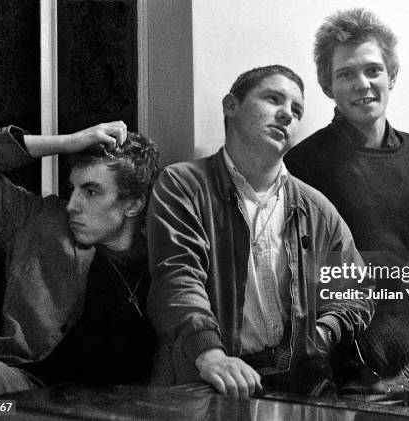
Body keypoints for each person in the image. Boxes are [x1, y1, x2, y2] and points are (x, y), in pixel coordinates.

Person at [147, 65, 374, 399]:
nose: (286, 115)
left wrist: (322, 333)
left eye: (296, 111)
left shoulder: (316, 207)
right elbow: (177, 277)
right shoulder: (183, 184)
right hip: (207, 382)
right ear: (231, 106)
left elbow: (356, 290)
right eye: (273, 99)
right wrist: (210, 354)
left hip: (301, 389)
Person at [284, 8, 409, 399]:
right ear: (328, 85)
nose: (362, 83)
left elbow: (408, 255)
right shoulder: (302, 163)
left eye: (372, 70)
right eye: (346, 74)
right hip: (354, 366)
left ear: (391, 76)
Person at [0, 122, 160, 396]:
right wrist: (68, 142)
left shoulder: (164, 261)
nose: (72, 205)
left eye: (91, 192)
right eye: (73, 188)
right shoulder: (42, 221)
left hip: (100, 410)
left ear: (133, 204)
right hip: (21, 391)